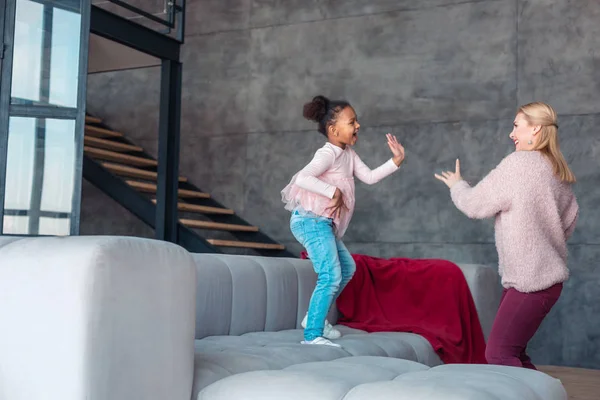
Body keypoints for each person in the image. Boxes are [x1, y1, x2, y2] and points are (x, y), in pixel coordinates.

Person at [434, 102, 579, 369]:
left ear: (535, 128)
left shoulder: (519, 164)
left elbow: (474, 205)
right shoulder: (556, 170)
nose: (511, 134)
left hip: (530, 281)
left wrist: (457, 185)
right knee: (515, 353)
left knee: (498, 354)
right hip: (543, 281)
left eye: (516, 126)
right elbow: (569, 221)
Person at [281, 95, 405, 347]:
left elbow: (369, 177)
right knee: (330, 274)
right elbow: (302, 178)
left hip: (323, 223)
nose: (357, 126)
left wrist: (395, 161)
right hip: (310, 220)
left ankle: (312, 318)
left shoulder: (348, 153)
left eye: (357, 121)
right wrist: (333, 192)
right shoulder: (328, 153)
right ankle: (313, 335)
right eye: (352, 122)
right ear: (333, 129)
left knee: (347, 269)